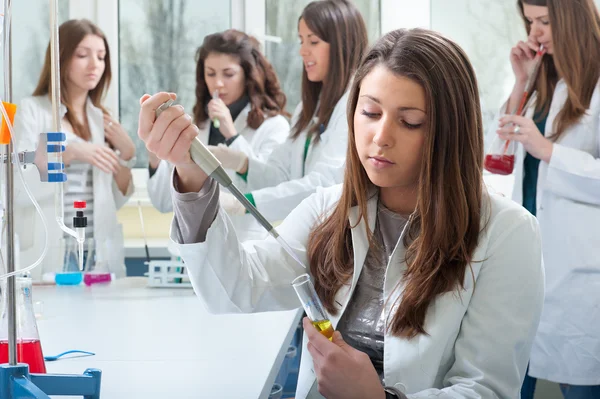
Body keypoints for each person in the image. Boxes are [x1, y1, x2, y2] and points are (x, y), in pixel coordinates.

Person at [138, 28, 544, 399]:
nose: (381, 137)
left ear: (451, 131)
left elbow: (484, 389)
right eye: (369, 113)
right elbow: (236, 286)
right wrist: (190, 170)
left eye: (411, 121)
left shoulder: (508, 233)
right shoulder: (330, 210)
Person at [489, 1, 600, 398]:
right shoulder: (542, 80)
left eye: (545, 21)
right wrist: (521, 81)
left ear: (572, 18)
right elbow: (496, 153)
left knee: (582, 387)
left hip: (580, 271)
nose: (535, 33)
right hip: (528, 260)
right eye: (530, 21)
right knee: (510, 381)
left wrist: (549, 151)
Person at [205, 0, 368, 223]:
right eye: (301, 41)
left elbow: (326, 184)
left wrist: (245, 202)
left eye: (313, 41)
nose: (302, 51)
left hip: (338, 235)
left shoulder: (356, 106)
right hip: (310, 237)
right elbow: (280, 175)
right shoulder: (307, 111)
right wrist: (242, 163)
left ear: (342, 44)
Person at [14, 19, 134, 280]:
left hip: (95, 251)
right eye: (83, 55)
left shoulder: (102, 119)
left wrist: (127, 156)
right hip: (53, 248)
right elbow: (19, 187)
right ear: (61, 58)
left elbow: (114, 199)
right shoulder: (32, 110)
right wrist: (71, 154)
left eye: (101, 57)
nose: (95, 65)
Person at [146, 29, 289, 240]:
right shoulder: (196, 125)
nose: (218, 83)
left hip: (246, 247)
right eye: (210, 73)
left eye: (228, 74)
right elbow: (163, 202)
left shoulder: (274, 126)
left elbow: (271, 192)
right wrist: (154, 150)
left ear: (248, 75)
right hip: (194, 250)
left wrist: (232, 135)